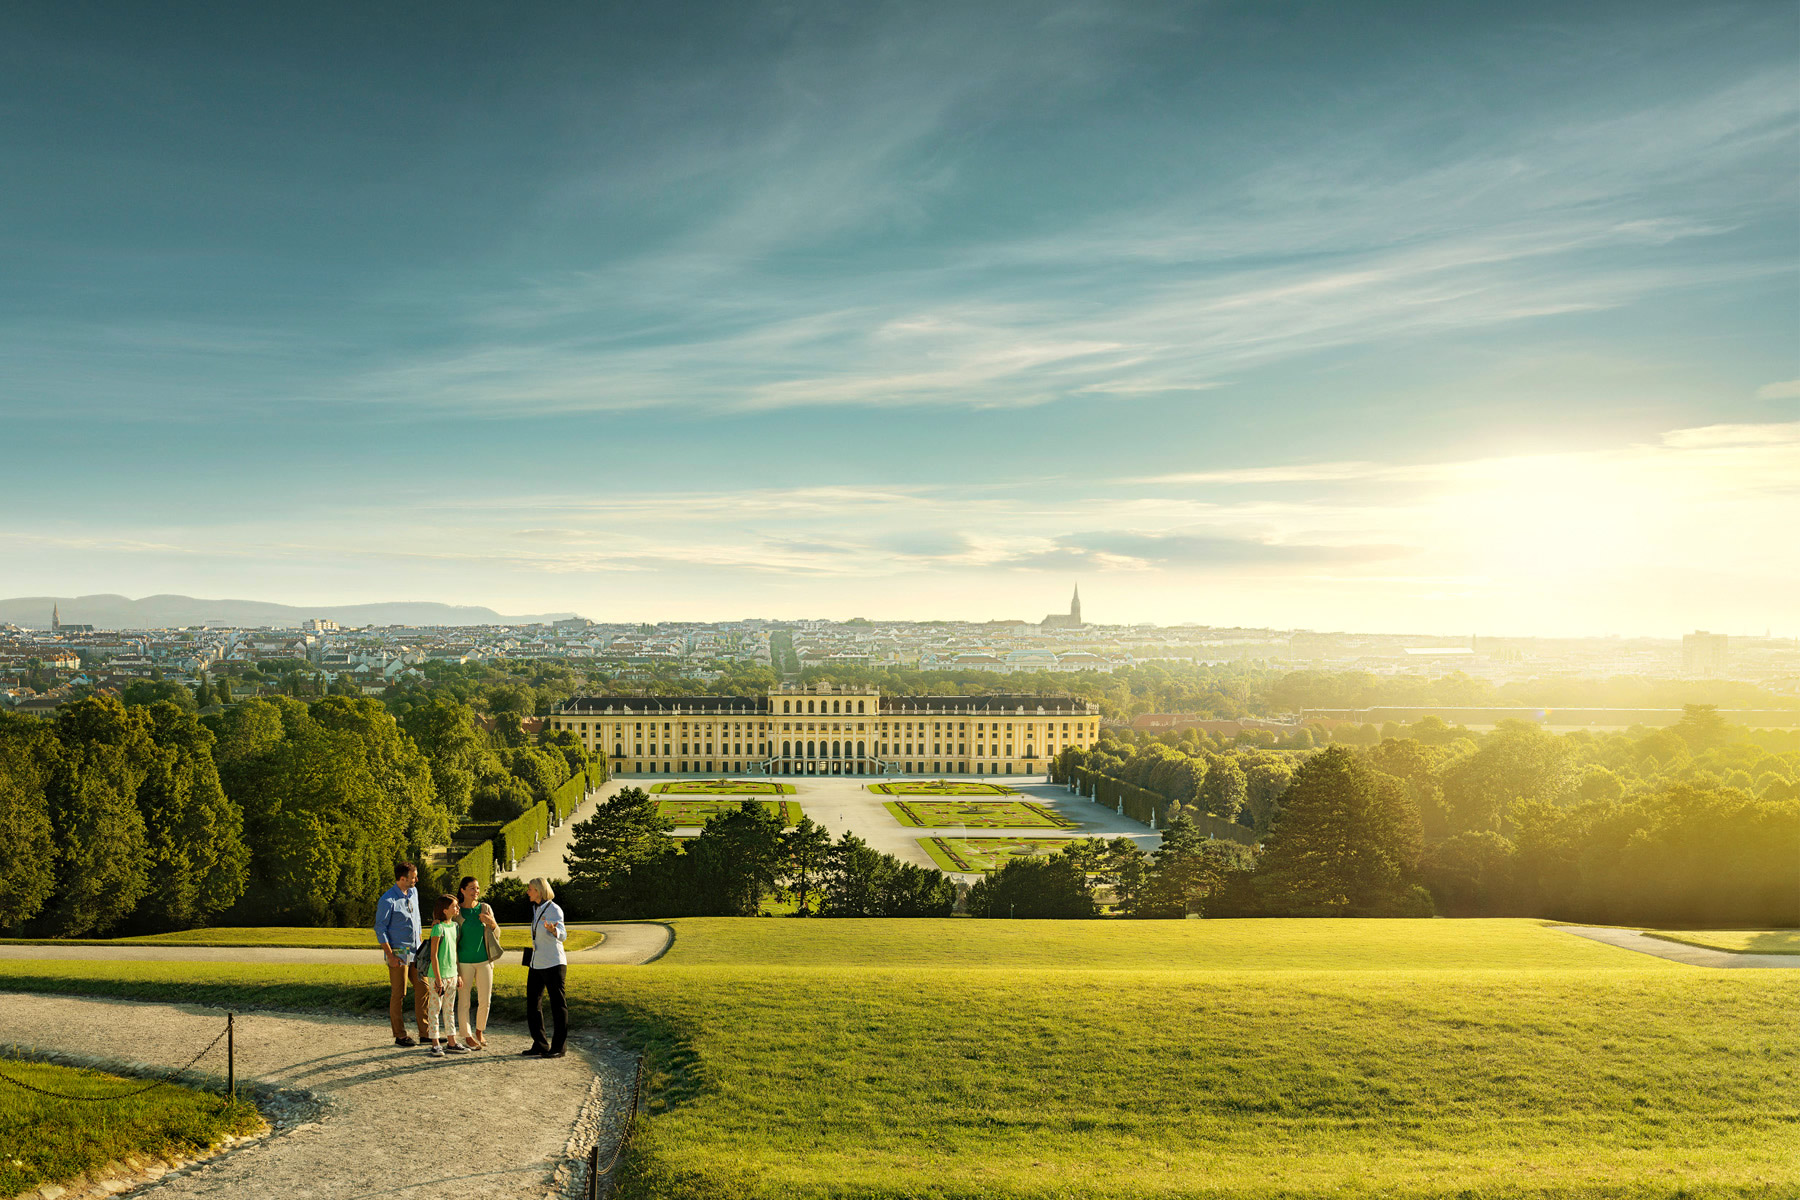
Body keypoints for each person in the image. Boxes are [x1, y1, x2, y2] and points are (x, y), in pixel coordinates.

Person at [374, 862, 429, 1047]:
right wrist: (390, 955)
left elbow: (418, 919)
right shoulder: (387, 900)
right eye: (414, 877)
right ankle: (400, 1035)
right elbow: (380, 928)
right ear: (403, 878)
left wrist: (421, 944)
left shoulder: (414, 892)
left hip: (416, 949)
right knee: (399, 993)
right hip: (399, 951)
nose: (417, 880)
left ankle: (426, 1033)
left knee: (424, 988)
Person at [520, 877, 568, 1058]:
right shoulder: (537, 909)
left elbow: (563, 935)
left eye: (530, 889)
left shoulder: (554, 909)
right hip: (536, 963)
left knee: (558, 1005)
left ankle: (558, 1048)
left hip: (554, 963)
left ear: (539, 891)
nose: (527, 892)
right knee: (533, 1004)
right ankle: (540, 1044)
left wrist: (554, 930)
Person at [454, 875, 499, 1050]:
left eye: (477, 888)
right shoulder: (457, 912)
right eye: (472, 888)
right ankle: (467, 1035)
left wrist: (492, 924)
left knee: (485, 1000)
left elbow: (497, 934)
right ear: (463, 890)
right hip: (464, 963)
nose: (476, 891)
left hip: (484, 961)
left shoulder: (485, 908)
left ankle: (480, 1030)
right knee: (464, 1001)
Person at [421, 893, 468, 1057]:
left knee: (449, 1010)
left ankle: (452, 1042)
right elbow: (433, 955)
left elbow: (454, 952)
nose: (458, 908)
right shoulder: (437, 928)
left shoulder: (455, 927)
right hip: (438, 977)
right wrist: (438, 980)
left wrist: (458, 974)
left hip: (452, 976)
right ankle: (435, 1044)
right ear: (445, 909)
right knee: (435, 1010)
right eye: (454, 906)